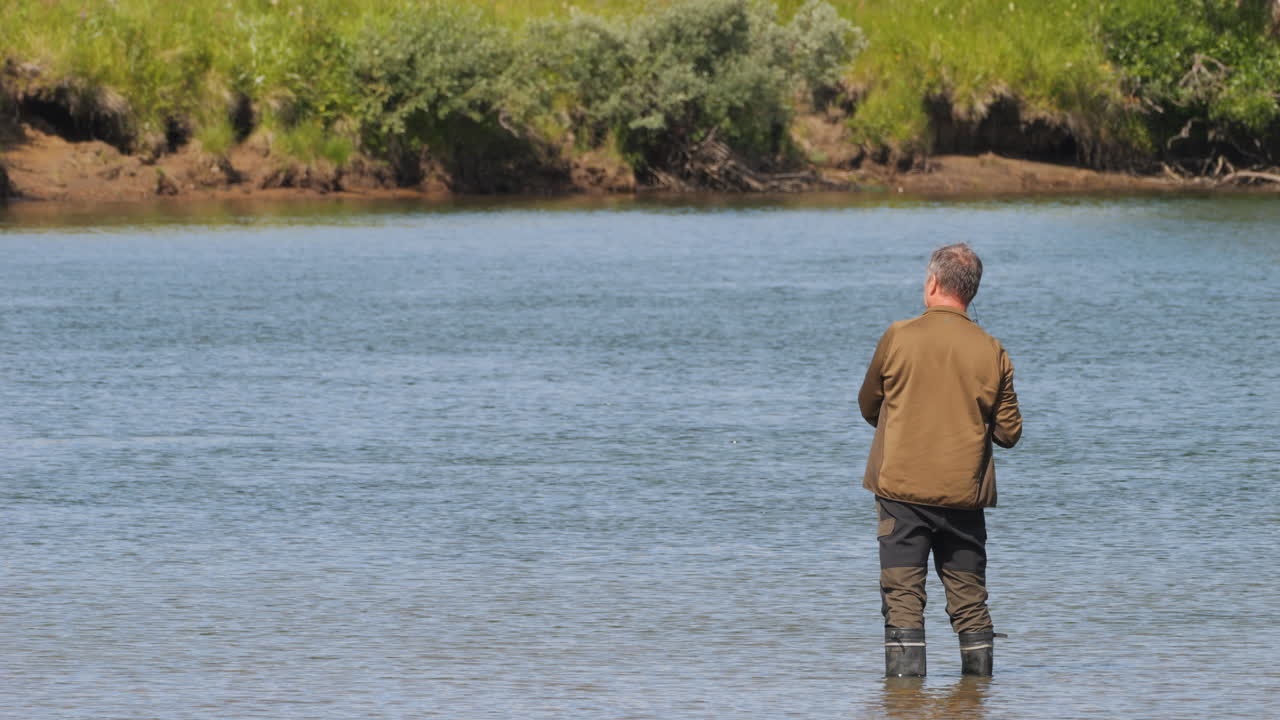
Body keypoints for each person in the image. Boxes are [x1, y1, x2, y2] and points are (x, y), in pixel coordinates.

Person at [857, 243, 1022, 678]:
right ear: (971, 292)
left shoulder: (898, 336)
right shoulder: (993, 350)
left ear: (932, 283)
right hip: (964, 500)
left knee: (903, 601)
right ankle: (976, 699)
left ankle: (904, 700)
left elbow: (868, 406)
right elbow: (1009, 433)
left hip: (900, 494)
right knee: (970, 602)